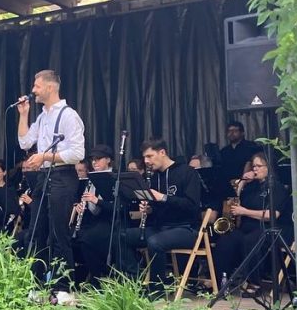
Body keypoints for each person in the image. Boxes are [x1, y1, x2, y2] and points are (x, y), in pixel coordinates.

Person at [17, 69, 86, 303]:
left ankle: (63, 288)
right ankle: (36, 286)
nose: (33, 90)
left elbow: (77, 153)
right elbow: (25, 141)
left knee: (59, 233)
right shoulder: (42, 116)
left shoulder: (68, 115)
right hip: (44, 178)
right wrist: (24, 115)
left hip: (62, 176)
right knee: (37, 231)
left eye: (36, 86)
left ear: (50, 87)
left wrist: (46, 157)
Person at [121, 138, 203, 289]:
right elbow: (157, 208)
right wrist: (149, 209)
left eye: (150, 156)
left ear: (162, 152)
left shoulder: (187, 172)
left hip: (186, 228)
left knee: (155, 242)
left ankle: (156, 289)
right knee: (122, 236)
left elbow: (192, 206)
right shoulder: (152, 178)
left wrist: (163, 197)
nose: (146, 161)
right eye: (144, 157)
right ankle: (134, 282)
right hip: (160, 227)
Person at [212, 151, 288, 283]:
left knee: (251, 240)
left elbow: (273, 214)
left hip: (266, 229)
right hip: (245, 228)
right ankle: (221, 281)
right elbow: (235, 201)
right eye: (254, 166)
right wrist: (241, 184)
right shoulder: (251, 187)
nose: (255, 169)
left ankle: (254, 283)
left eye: (259, 166)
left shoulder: (277, 187)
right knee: (226, 240)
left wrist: (245, 211)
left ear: (268, 167)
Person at [73, 144, 117, 286]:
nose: (94, 162)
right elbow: (88, 203)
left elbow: (118, 207)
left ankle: (98, 278)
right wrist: (81, 208)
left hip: (110, 221)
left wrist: (96, 200)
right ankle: (79, 277)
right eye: (93, 159)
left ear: (108, 160)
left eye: (98, 159)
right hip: (92, 221)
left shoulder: (115, 177)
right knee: (69, 238)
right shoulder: (91, 178)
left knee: (88, 239)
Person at [218, 121, 261, 198]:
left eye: (235, 131)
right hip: (228, 187)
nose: (231, 133)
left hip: (248, 187)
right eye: (229, 131)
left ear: (242, 133)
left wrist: (241, 181)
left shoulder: (251, 146)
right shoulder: (224, 151)